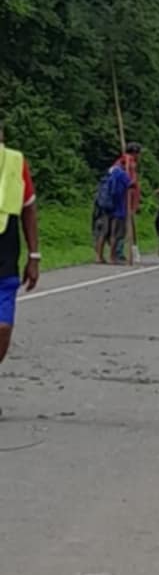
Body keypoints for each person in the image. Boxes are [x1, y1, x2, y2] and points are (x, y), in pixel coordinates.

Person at [0, 126, 40, 406]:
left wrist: (34, 256)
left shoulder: (15, 162)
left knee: (3, 328)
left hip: (5, 259)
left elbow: (29, 208)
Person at [93, 153, 131, 264]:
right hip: (118, 209)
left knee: (103, 233)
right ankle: (112, 257)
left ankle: (99, 256)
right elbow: (130, 184)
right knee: (115, 234)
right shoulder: (122, 174)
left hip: (106, 207)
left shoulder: (110, 172)